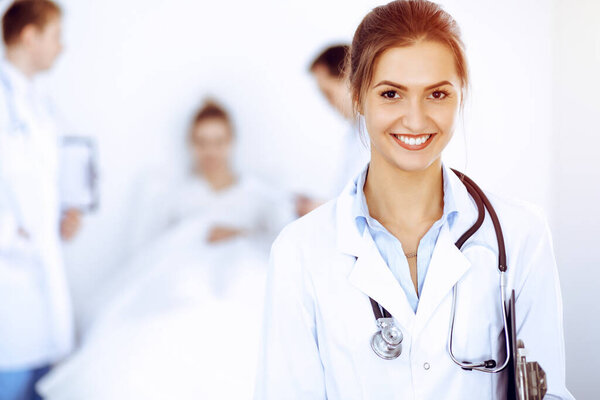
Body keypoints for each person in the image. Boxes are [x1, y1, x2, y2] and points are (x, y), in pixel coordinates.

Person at [255, 1, 573, 399]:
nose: (416, 119)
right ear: (356, 95)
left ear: (461, 96)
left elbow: (548, 392)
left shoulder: (521, 235)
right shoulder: (299, 251)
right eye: (391, 94)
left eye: (437, 94)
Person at [0, 1, 82, 399]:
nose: (61, 48)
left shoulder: (38, 104)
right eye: (55, 36)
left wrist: (60, 217)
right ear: (29, 36)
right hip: (9, 273)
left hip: (37, 275)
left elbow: (39, 184)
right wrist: (12, 235)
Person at [296, 44, 370, 217]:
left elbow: (373, 208)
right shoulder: (354, 133)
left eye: (328, 93)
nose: (328, 103)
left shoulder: (379, 132)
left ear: (351, 78)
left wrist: (321, 209)